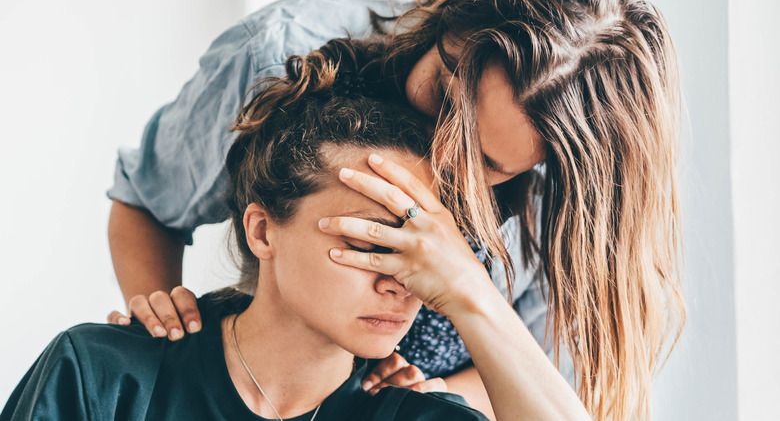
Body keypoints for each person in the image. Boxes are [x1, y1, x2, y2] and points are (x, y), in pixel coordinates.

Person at [107, 0, 685, 419]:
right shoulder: (277, 51)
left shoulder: (566, 186)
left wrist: (430, 393)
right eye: (442, 95)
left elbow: (538, 373)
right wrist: (164, 335)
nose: (439, 157)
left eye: (483, 163)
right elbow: (147, 203)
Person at [1, 42, 494, 421]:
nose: (401, 282)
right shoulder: (98, 377)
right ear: (262, 231)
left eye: (417, 250)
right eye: (368, 241)